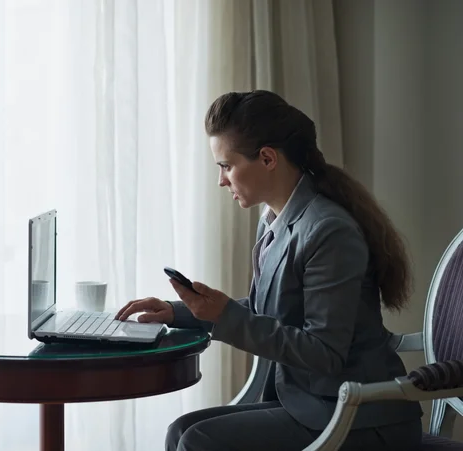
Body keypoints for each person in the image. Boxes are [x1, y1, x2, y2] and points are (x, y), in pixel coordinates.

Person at [115, 90, 423, 451]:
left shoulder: (329, 231)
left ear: (267, 158)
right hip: (307, 402)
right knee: (180, 431)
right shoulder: (274, 220)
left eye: (226, 166)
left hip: (359, 417)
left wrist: (225, 316)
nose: (221, 180)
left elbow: (325, 352)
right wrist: (178, 312)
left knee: (198, 442)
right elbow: (270, 311)